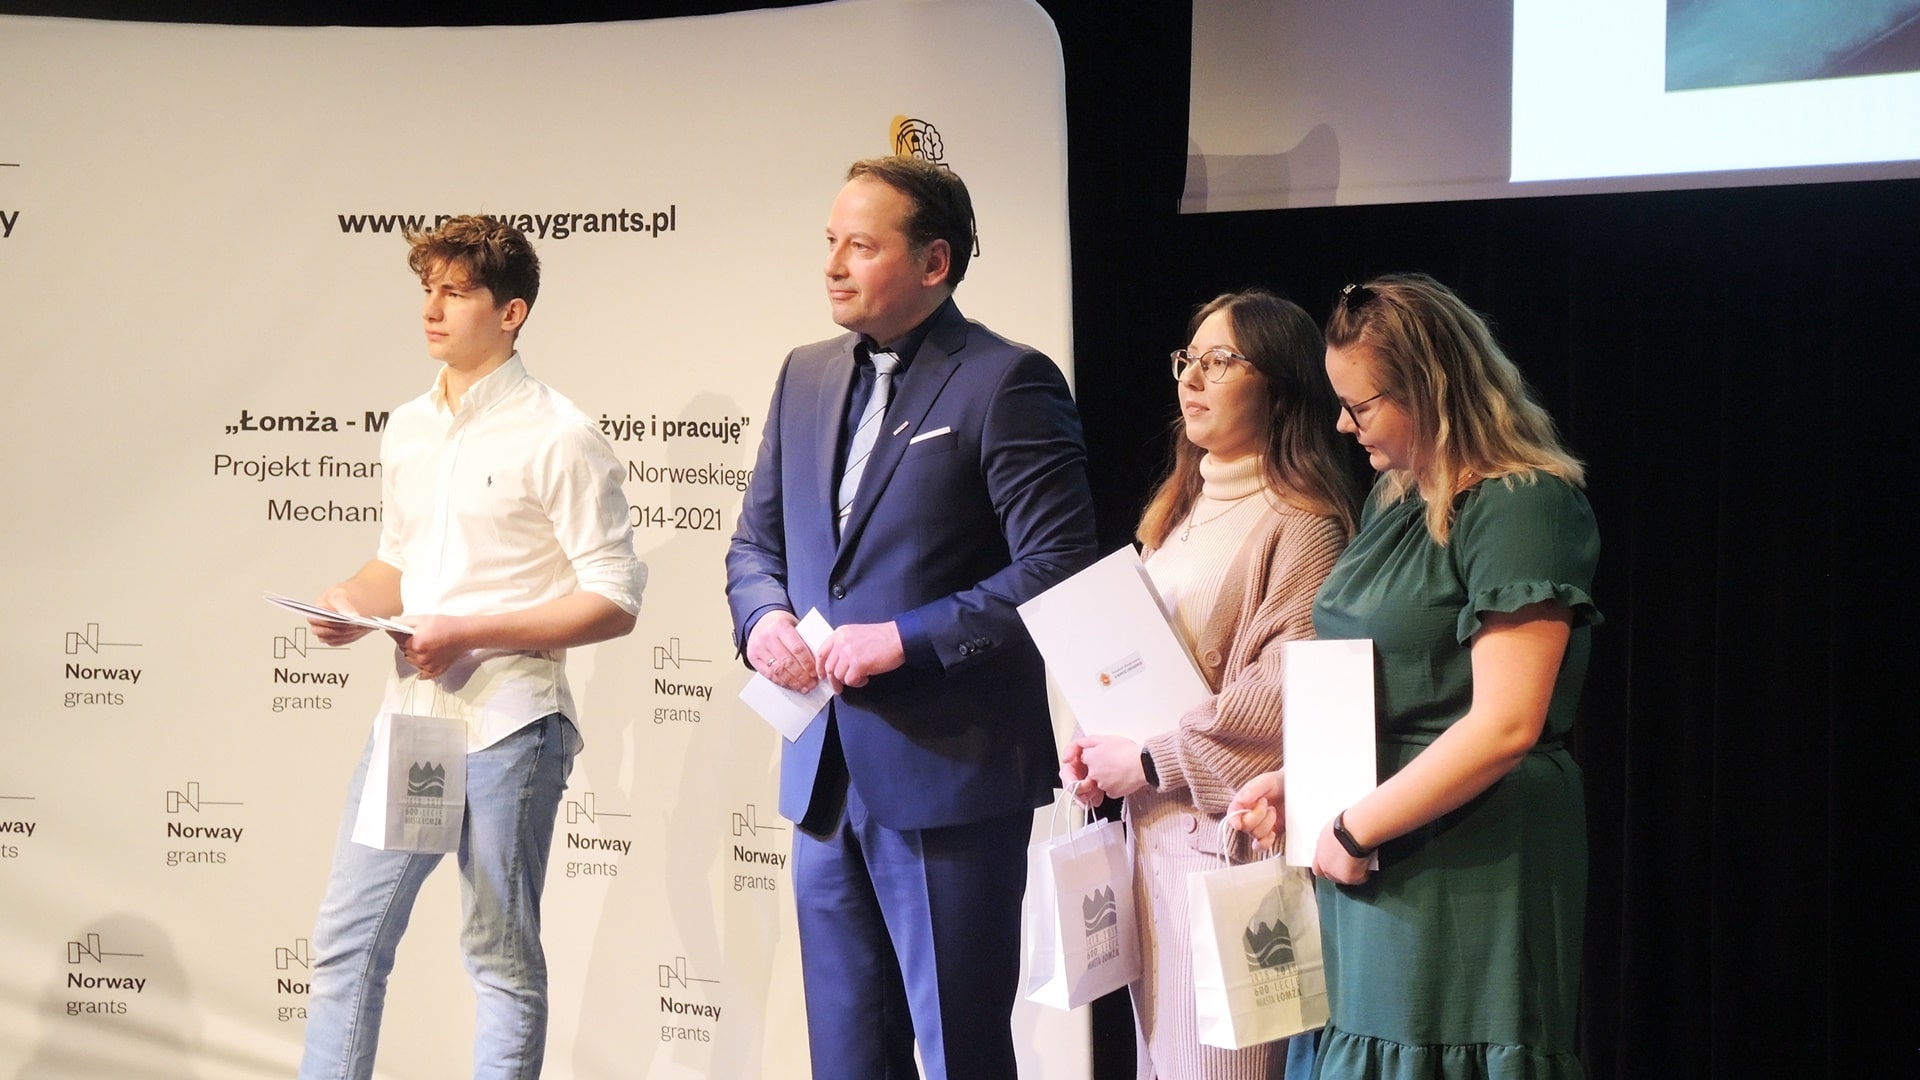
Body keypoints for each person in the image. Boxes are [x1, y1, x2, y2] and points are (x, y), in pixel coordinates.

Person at [725, 156, 1098, 1079]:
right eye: (830, 242)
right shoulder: (805, 376)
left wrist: (905, 639)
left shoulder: (1007, 380)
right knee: (847, 1057)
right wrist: (763, 618)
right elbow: (755, 545)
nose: (833, 265)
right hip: (824, 778)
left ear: (934, 263)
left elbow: (1058, 568)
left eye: (861, 246)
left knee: (958, 1054)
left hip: (950, 777)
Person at [298, 215, 645, 1080]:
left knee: (499, 957)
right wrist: (349, 604)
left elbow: (614, 599)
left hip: (510, 726)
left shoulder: (560, 433)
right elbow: (398, 562)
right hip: (413, 723)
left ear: (511, 311)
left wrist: (469, 630)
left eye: (456, 292)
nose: (432, 309)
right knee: (347, 944)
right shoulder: (407, 426)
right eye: (429, 289)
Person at [1230, 273, 1600, 1078]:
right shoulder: (1394, 499)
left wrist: (1354, 827)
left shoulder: (1520, 506)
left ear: (1430, 391)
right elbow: (1390, 687)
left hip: (1475, 854)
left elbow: (1506, 725)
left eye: (1359, 406)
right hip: (1376, 845)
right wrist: (1307, 782)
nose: (1342, 424)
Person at [1061, 289, 1356, 1080]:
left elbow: (1283, 695)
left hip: (1229, 852)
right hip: (1151, 838)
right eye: (1187, 360)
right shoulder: (1177, 512)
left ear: (1281, 384)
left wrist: (1148, 760)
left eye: (1220, 361)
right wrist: (1095, 745)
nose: (1192, 378)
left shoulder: (1304, 524)